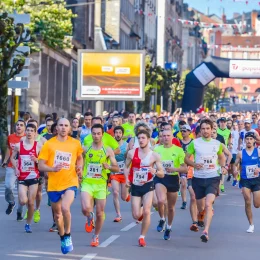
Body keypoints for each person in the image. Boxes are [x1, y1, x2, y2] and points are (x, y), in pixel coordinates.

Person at [38, 118, 83, 254]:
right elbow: (40, 165)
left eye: (66, 126)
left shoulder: (75, 143)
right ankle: (62, 236)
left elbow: (80, 157)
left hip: (70, 181)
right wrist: (52, 169)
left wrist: (79, 167)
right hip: (54, 184)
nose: (63, 128)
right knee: (58, 215)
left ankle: (68, 234)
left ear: (70, 128)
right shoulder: (49, 145)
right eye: (61, 125)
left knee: (65, 207)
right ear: (56, 128)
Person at [185, 119, 227, 243]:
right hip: (198, 178)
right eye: (203, 129)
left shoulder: (217, 143)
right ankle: (201, 214)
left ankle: (205, 231)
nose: (205, 131)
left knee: (208, 204)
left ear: (212, 129)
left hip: (213, 177)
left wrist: (223, 167)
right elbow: (186, 159)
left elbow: (221, 157)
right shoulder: (195, 143)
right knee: (201, 206)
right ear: (200, 130)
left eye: (207, 128)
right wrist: (194, 164)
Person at [81, 124, 119, 247]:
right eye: (94, 133)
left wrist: (109, 167)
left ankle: (96, 236)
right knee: (86, 208)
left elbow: (116, 167)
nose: (96, 136)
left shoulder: (107, 150)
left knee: (100, 213)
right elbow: (79, 161)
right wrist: (79, 170)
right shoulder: (86, 149)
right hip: (87, 182)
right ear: (91, 134)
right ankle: (89, 217)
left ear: (102, 134)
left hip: (101, 184)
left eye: (98, 133)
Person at [124, 130, 164, 247]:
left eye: (143, 138)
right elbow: (126, 167)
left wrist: (155, 171)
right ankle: (141, 211)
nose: (141, 140)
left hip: (148, 185)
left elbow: (161, 173)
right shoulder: (132, 153)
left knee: (147, 211)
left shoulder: (154, 155)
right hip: (136, 185)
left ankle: (142, 237)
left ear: (148, 140)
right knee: (136, 215)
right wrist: (127, 178)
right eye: (139, 138)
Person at [154, 129, 187, 240]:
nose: (166, 138)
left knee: (171, 207)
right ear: (161, 137)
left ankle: (168, 227)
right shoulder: (156, 149)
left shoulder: (178, 150)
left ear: (172, 137)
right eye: (164, 136)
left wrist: (175, 169)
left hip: (173, 178)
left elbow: (185, 168)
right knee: (161, 200)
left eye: (168, 135)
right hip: (160, 177)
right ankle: (162, 219)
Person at [10, 123, 42, 233]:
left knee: (31, 203)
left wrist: (37, 160)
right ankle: (28, 209)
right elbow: (12, 158)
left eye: (31, 131)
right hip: (22, 177)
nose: (29, 132)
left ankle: (28, 224)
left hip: (33, 176)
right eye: (27, 130)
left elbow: (43, 161)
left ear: (35, 133)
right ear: (25, 132)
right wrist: (16, 168)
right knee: (23, 201)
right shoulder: (19, 145)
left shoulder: (38, 146)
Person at [234, 132, 260, 233]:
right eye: (247, 139)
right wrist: (235, 169)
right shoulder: (241, 153)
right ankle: (251, 224)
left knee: (257, 204)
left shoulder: (258, 152)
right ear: (245, 141)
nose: (248, 141)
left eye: (250, 139)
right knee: (247, 201)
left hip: (256, 180)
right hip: (245, 180)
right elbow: (235, 164)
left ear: (254, 141)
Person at [2, 120, 26, 220]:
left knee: (22, 194)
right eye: (17, 125)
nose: (19, 127)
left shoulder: (27, 138)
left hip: (24, 169)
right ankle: (11, 202)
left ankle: (19, 212)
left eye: (21, 125)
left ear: (24, 128)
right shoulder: (10, 137)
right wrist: (5, 160)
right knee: (8, 186)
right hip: (11, 166)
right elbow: (8, 149)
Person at [110, 126, 130, 222]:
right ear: (114, 134)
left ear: (122, 134)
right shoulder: (111, 145)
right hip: (115, 172)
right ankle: (118, 214)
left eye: (119, 133)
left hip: (124, 173)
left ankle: (128, 194)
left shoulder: (126, 145)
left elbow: (129, 160)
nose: (118, 134)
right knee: (115, 192)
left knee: (124, 197)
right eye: (116, 132)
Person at [179, 124, 193, 210]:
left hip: (191, 165)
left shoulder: (193, 142)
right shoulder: (178, 141)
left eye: (185, 131)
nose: (183, 132)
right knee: (183, 183)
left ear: (189, 132)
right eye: (181, 131)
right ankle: (184, 201)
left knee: (192, 186)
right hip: (181, 165)